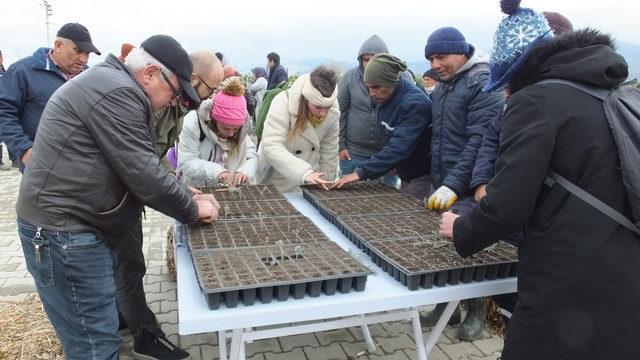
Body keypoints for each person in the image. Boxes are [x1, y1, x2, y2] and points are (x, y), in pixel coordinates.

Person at [439, 1, 640, 358]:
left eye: (506, 83)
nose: (504, 94)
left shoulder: (535, 100)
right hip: (622, 267)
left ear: (520, 70)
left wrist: (462, 229)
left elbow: (507, 205)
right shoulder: (615, 93)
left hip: (566, 272)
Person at [15, 34, 220, 360]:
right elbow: (143, 172)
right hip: (64, 233)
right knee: (95, 346)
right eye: (174, 91)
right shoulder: (120, 93)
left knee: (98, 332)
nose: (172, 101)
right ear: (151, 73)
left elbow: (143, 164)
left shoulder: (113, 84)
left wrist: (181, 192)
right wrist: (191, 208)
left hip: (74, 226)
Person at [114, 49, 223, 360]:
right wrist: (186, 204)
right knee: (127, 266)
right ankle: (143, 336)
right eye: (210, 89)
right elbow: (141, 167)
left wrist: (177, 184)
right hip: (110, 201)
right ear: (194, 79)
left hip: (126, 196)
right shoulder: (152, 101)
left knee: (128, 266)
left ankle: (127, 319)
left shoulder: (177, 106)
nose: (210, 96)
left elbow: (157, 156)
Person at [420, 26, 505, 341]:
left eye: (441, 56)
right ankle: (448, 307)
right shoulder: (445, 84)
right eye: (431, 58)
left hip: (469, 184)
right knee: (444, 247)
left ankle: (477, 310)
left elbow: (479, 142)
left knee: (468, 249)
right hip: (445, 179)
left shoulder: (481, 84)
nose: (436, 63)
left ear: (461, 51)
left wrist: (454, 184)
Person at [0, 23, 100, 172]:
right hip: (42, 169)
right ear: (58, 45)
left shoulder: (89, 76)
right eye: (78, 51)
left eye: (87, 54)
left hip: (83, 168)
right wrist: (24, 149)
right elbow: (3, 113)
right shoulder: (22, 72)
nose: (83, 59)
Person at [332, 54, 432, 199]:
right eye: (369, 87)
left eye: (376, 87)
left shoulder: (414, 104)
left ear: (391, 82)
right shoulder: (383, 97)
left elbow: (399, 146)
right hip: (404, 171)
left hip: (421, 175)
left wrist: (360, 173)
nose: (372, 93)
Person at [255, 65, 339, 193]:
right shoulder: (283, 102)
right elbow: (271, 146)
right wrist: (304, 173)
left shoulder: (332, 108)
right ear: (306, 99)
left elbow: (329, 150)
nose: (323, 113)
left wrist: (326, 182)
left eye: (327, 108)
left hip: (313, 177)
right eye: (318, 107)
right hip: (279, 175)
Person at [337, 35, 399, 188]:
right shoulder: (350, 78)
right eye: (366, 59)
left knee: (387, 199)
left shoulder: (400, 79)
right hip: (353, 152)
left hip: (385, 154)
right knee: (347, 196)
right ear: (360, 60)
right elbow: (340, 113)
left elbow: (405, 120)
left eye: (376, 59)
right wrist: (341, 146)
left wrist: (398, 157)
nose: (370, 64)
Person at [178, 77, 257, 187]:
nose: (231, 134)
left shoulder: (240, 132)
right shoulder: (194, 122)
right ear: (213, 120)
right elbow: (186, 163)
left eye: (236, 129)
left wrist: (244, 172)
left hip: (222, 187)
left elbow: (251, 156)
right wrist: (217, 171)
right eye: (225, 128)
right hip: (195, 187)